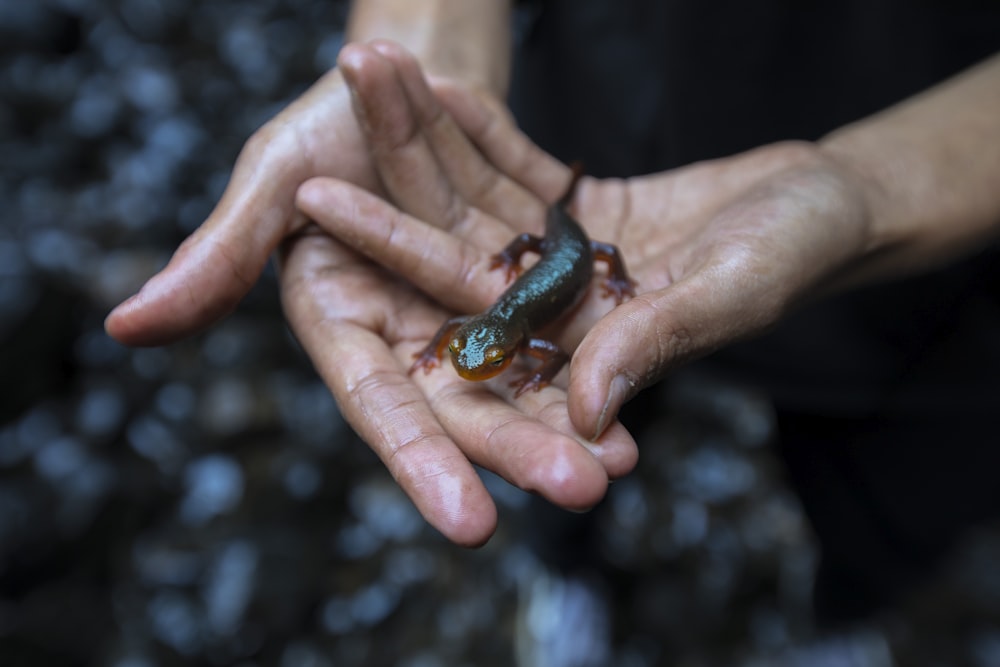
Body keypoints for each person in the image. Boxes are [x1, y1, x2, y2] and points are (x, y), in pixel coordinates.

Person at [105, 1, 1000, 611]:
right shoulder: (497, 329)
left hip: (928, 316)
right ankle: (572, 576)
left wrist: (873, 190)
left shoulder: (527, 330)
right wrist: (427, 53)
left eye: (484, 358)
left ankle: (848, 614)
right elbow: (476, 333)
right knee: (595, 418)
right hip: (600, 98)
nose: (482, 362)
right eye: (477, 358)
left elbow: (567, 279)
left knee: (884, 506)